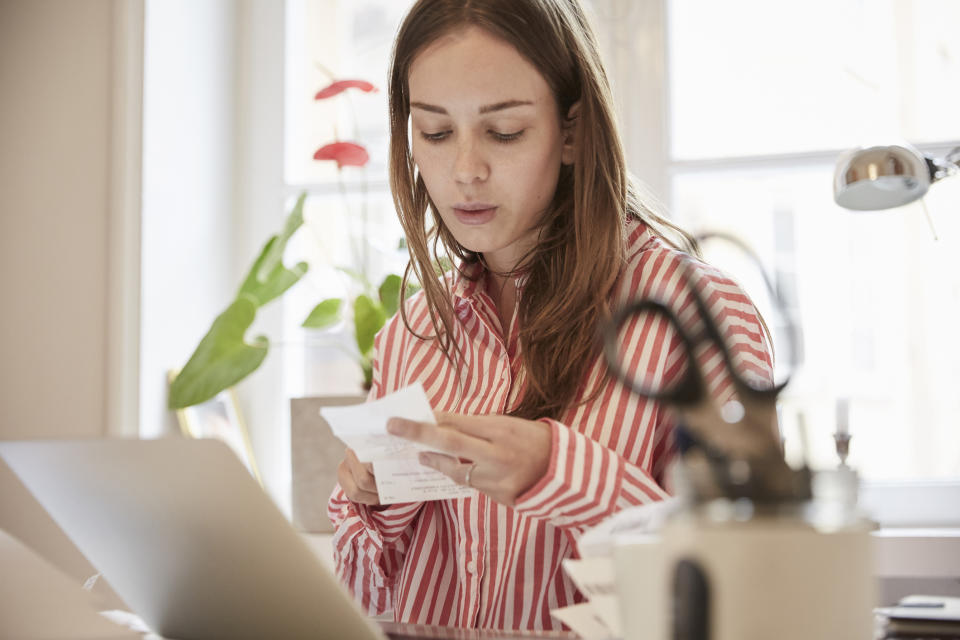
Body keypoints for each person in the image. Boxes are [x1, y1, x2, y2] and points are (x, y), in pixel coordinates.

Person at [328, 0, 773, 630]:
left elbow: (746, 593)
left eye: (504, 132)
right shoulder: (410, 338)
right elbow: (366, 611)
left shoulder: (696, 317)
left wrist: (562, 473)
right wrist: (374, 504)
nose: (465, 171)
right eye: (435, 132)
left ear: (571, 132)